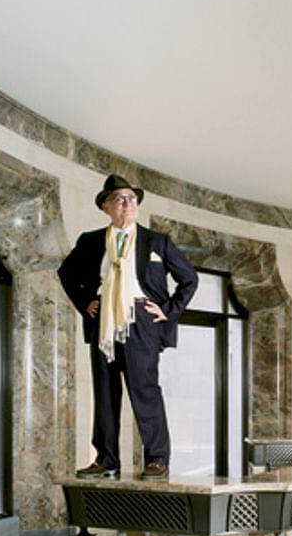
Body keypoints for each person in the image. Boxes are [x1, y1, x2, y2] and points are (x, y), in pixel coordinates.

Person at [58, 174, 198, 480]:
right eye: (120, 199)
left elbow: (189, 279)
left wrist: (168, 311)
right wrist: (85, 303)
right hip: (103, 321)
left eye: (132, 199)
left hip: (141, 320)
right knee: (105, 392)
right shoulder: (91, 241)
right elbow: (66, 273)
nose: (128, 204)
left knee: (144, 388)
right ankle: (106, 459)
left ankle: (158, 458)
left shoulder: (157, 241)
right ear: (106, 207)